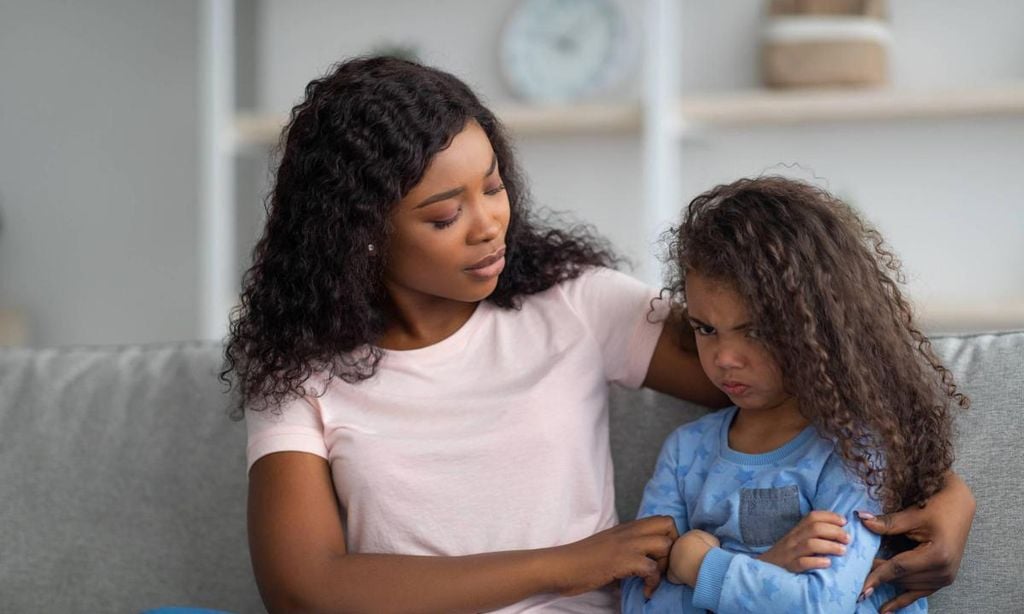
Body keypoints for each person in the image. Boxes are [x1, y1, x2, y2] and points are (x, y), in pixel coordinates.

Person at [222, 57, 974, 613]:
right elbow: (306, 588)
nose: (491, 224)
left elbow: (805, 360)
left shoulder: (575, 305)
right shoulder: (299, 374)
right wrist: (570, 564)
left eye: (494, 185)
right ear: (359, 236)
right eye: (445, 214)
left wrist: (945, 491)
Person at [621, 177, 970, 613]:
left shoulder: (855, 450)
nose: (725, 357)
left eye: (756, 331)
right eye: (706, 329)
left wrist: (695, 563)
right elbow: (639, 604)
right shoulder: (684, 452)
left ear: (818, 328)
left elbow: (821, 604)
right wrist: (768, 564)